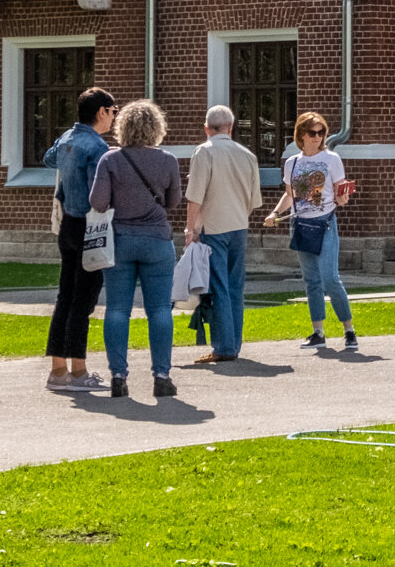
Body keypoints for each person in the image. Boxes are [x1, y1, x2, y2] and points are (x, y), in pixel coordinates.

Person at [92, 100, 186, 398]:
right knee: (159, 309)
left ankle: (118, 376)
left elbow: (97, 202)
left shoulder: (110, 160)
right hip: (157, 240)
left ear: (123, 127)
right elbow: (173, 202)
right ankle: (161, 375)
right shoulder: (168, 160)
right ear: (157, 127)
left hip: (119, 239)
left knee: (117, 309)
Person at [265, 111, 358, 351]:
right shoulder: (292, 163)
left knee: (331, 278)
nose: (317, 137)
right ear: (301, 135)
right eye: (312, 133)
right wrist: (275, 213)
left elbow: (340, 192)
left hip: (324, 222)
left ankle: (349, 330)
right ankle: (318, 332)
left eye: (321, 133)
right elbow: (290, 194)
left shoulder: (332, 159)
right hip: (301, 224)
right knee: (312, 281)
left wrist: (343, 198)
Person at [43, 86, 116, 393]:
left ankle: (57, 370)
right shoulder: (98, 147)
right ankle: (79, 372)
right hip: (89, 226)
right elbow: (97, 193)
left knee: (65, 298)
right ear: (101, 112)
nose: (113, 117)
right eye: (113, 111)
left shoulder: (66, 138)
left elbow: (49, 159)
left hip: (67, 226)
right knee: (83, 302)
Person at [185, 104, 263, 364]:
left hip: (213, 227)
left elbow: (195, 195)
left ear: (207, 128)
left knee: (218, 287)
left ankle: (223, 347)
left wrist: (190, 228)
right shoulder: (247, 155)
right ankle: (233, 344)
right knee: (234, 287)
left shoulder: (204, 152)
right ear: (231, 127)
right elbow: (253, 202)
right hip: (239, 226)